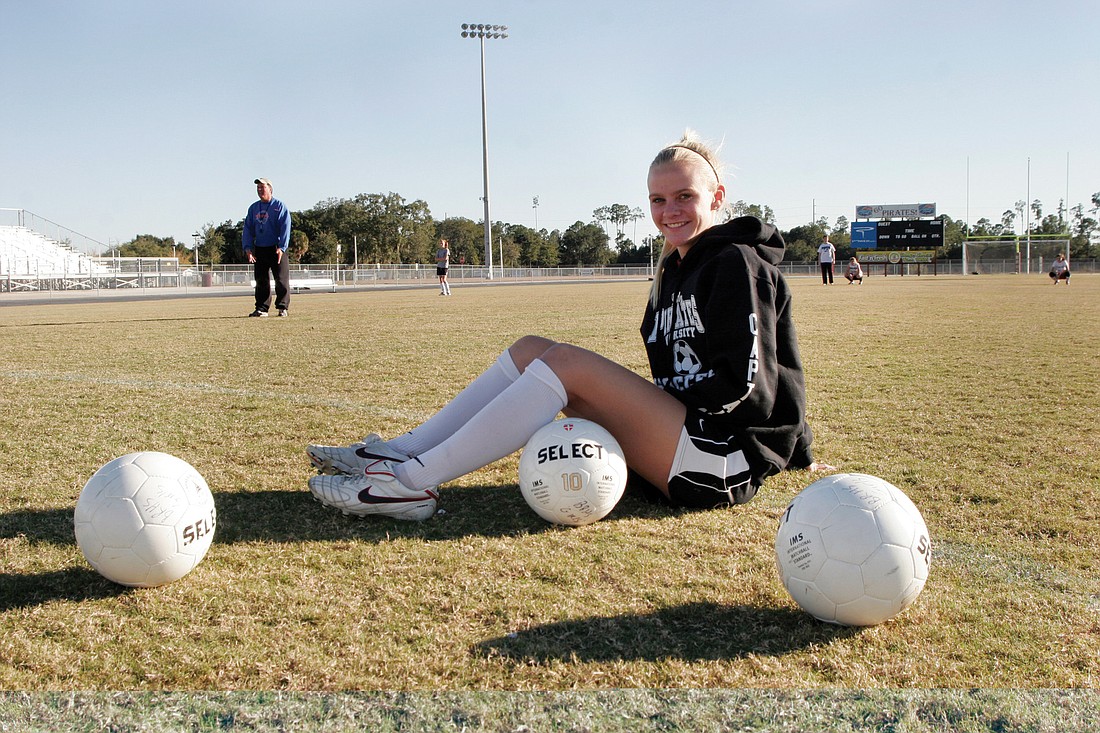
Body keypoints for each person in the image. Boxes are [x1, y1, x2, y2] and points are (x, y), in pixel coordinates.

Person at [305, 132, 828, 521]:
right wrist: (648, 411)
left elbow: (751, 389)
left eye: (684, 197)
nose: (669, 211)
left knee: (567, 365)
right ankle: (401, 452)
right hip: (685, 440)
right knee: (531, 349)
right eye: (657, 200)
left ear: (715, 199)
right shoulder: (670, 271)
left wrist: (780, 445)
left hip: (722, 461)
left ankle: (407, 485)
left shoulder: (736, 262)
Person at [243, 177, 292, 317]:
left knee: (281, 279)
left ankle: (282, 307)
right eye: (258, 188)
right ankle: (262, 308)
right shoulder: (253, 208)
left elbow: (285, 227)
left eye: (262, 187)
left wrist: (282, 247)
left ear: (270, 189)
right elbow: (247, 229)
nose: (260, 190)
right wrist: (248, 249)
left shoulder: (279, 206)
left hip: (276, 248)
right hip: (260, 248)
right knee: (261, 281)